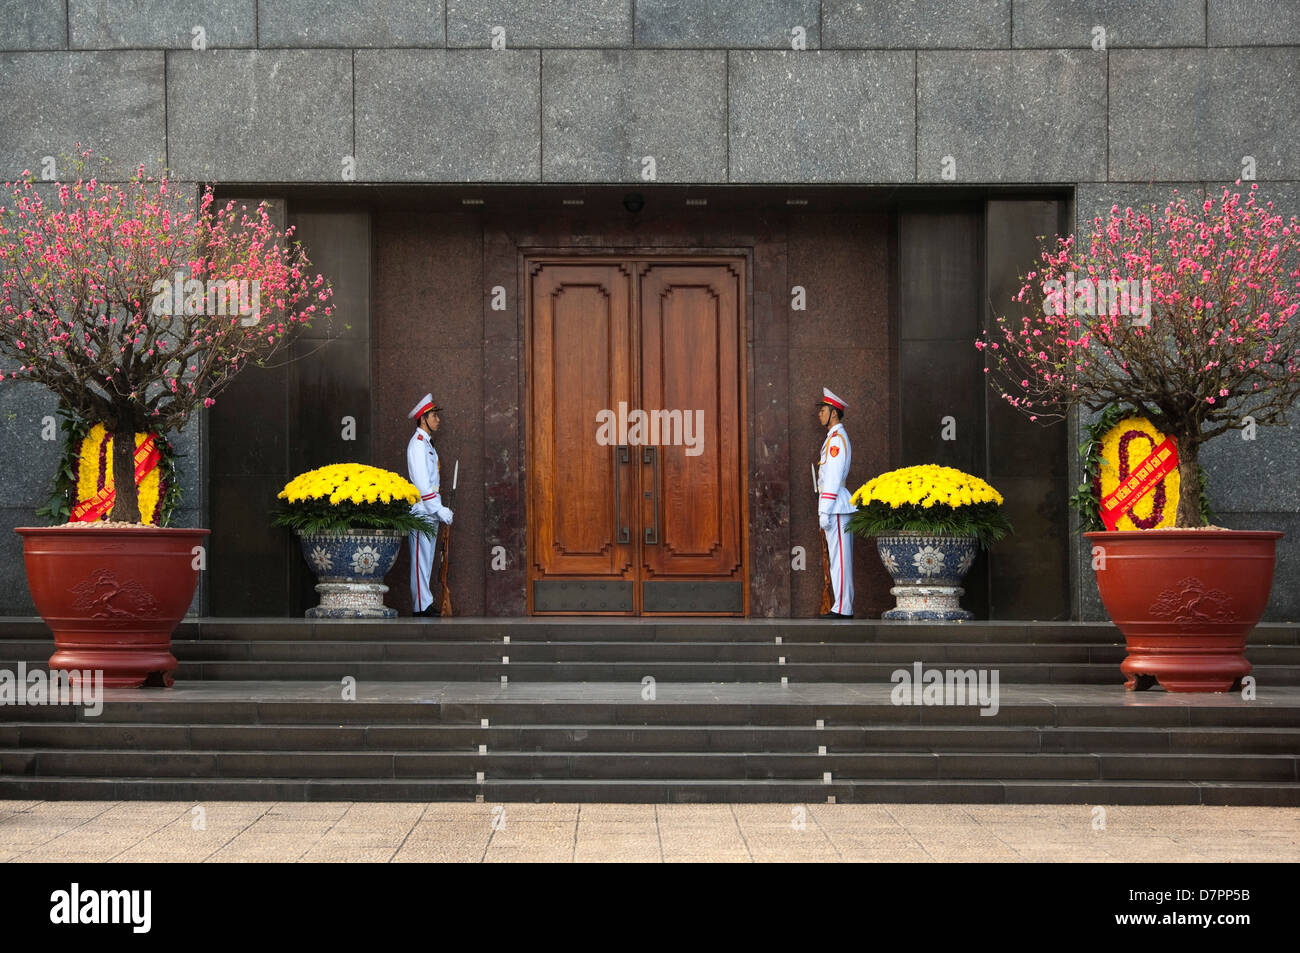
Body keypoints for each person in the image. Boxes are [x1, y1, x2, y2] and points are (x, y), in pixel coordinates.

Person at [406, 393, 453, 617]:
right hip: (422, 510)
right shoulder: (417, 445)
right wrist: (438, 509)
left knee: (426, 559)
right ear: (423, 418)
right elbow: (422, 484)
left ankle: (425, 602)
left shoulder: (427, 445)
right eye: (434, 416)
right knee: (419, 560)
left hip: (430, 509)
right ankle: (420, 606)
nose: (438, 419)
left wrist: (438, 508)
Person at [816, 387, 853, 619]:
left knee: (839, 561)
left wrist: (824, 510)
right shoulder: (832, 439)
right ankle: (841, 605)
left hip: (836, 507)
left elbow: (832, 477)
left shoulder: (836, 441)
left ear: (834, 413)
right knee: (837, 560)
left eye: (823, 410)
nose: (820, 414)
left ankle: (843, 607)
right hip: (834, 507)